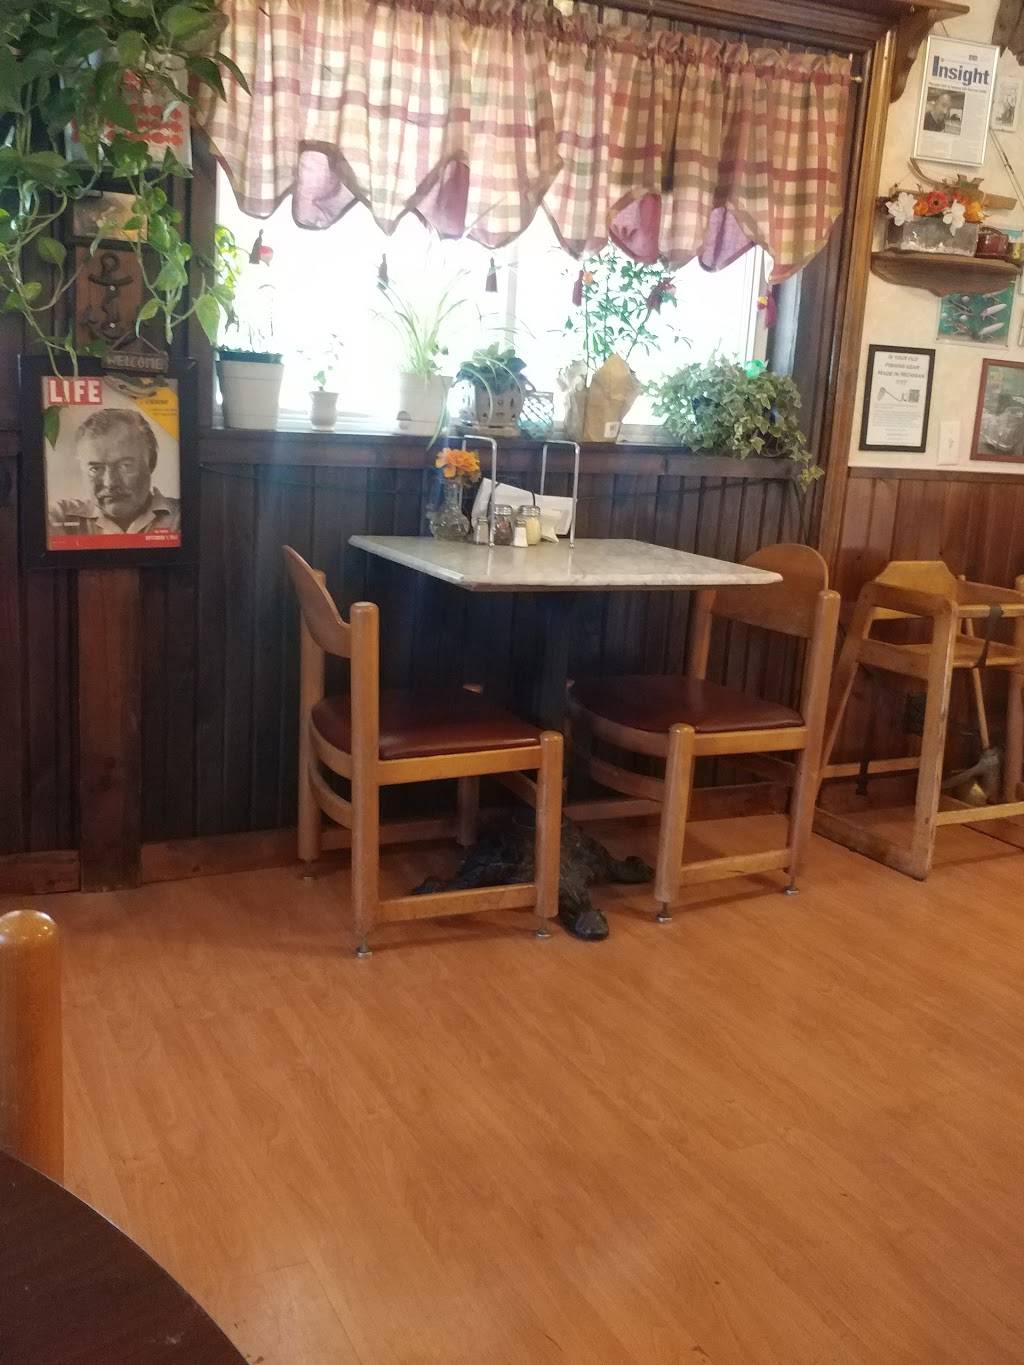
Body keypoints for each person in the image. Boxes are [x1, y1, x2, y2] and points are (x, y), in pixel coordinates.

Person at [48, 407, 180, 536]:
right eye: (95, 469)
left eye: (125, 466)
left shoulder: (181, 517)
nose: (110, 483)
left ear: (151, 463)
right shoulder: (58, 516)